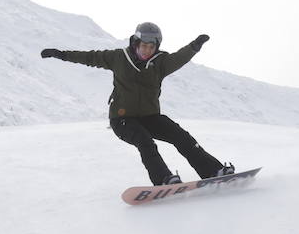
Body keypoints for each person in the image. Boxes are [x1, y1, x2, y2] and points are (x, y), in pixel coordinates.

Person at [40, 22, 235, 185]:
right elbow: (89, 57)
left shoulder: (161, 63)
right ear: (135, 43)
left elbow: (179, 58)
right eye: (144, 45)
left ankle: (214, 171)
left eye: (151, 47)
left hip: (150, 117)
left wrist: (194, 46)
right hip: (123, 119)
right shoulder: (118, 58)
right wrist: (61, 54)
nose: (147, 50)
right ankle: (164, 180)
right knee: (145, 142)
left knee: (181, 136)